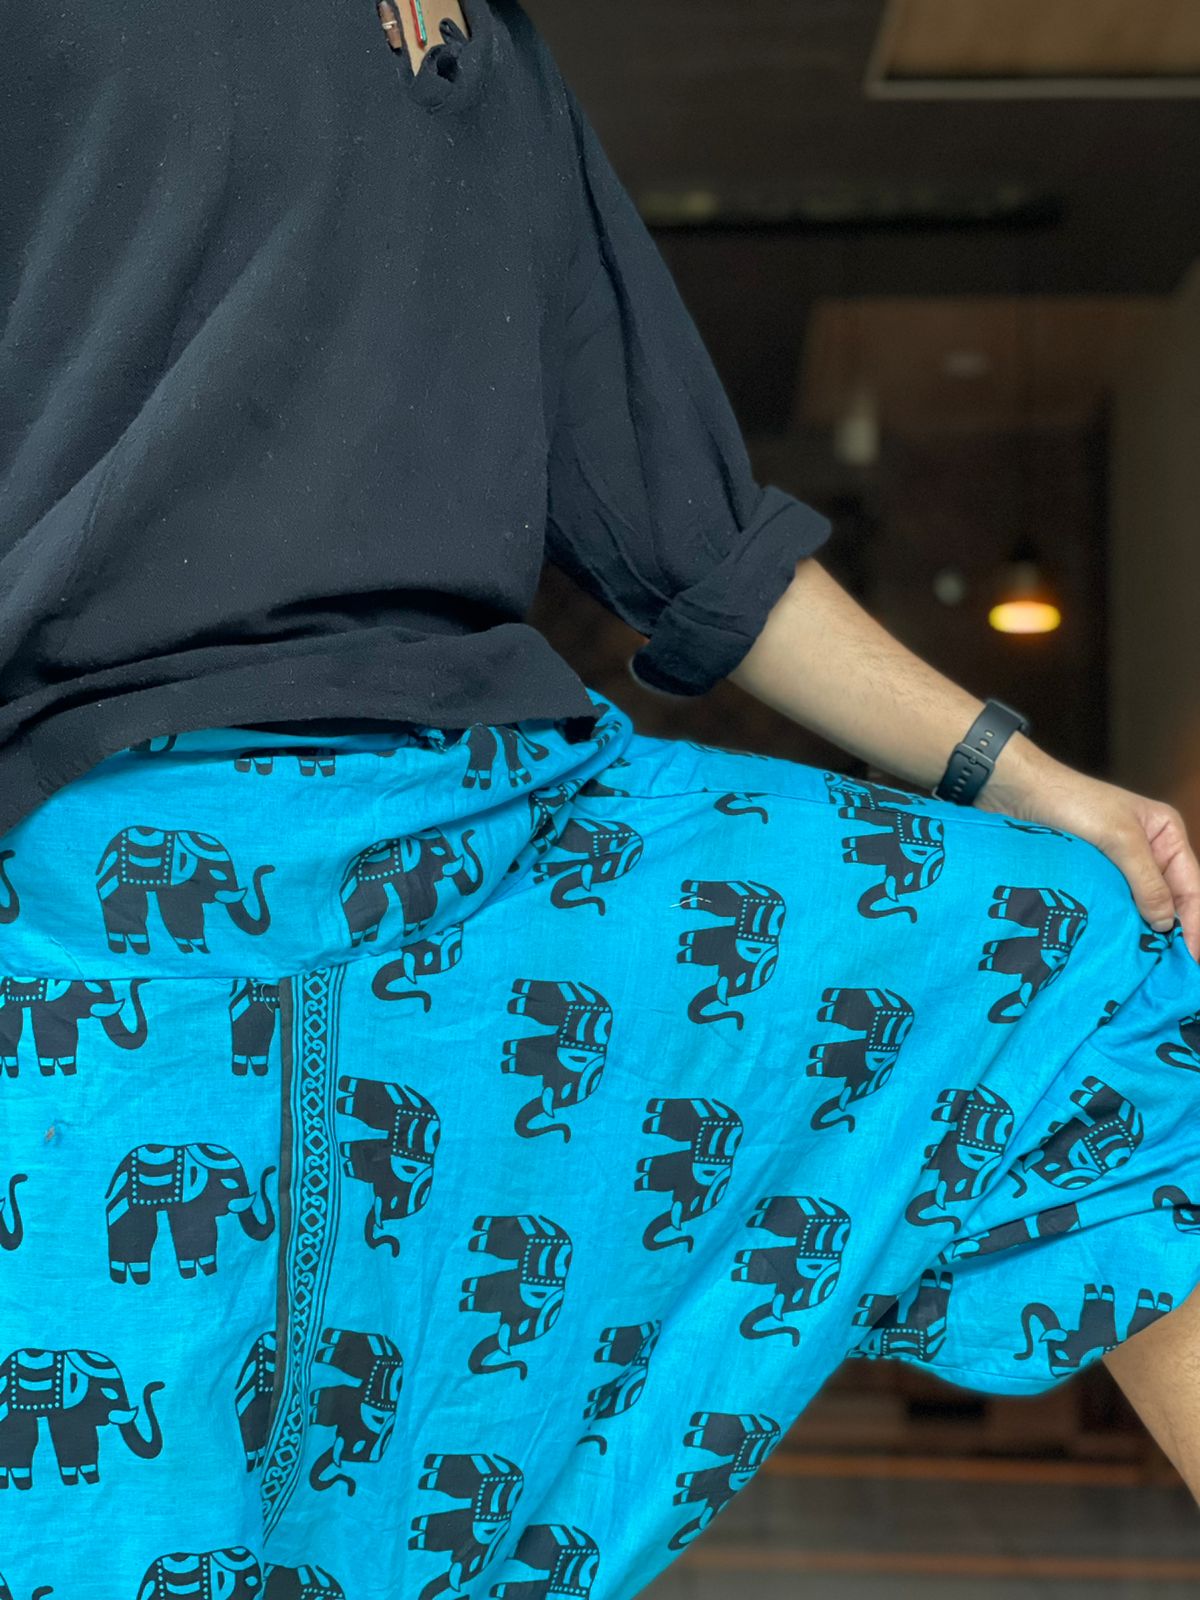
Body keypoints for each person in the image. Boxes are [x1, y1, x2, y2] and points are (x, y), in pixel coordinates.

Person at [3, 2, 1200, 1595]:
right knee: (104, 1533)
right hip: (104, 892)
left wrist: (1028, 777)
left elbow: (698, 536)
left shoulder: (497, 70)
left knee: (1092, 982)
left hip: (495, 855)